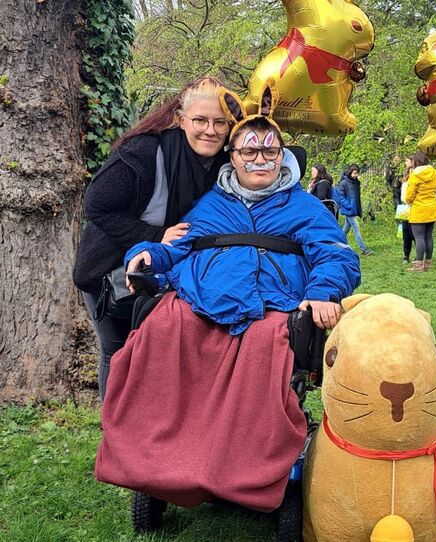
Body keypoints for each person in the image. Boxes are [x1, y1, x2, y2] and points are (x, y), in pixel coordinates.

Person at [95, 106, 361, 513]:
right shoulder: (210, 205)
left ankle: (243, 466)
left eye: (269, 153)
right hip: (200, 301)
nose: (259, 160)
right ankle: (153, 455)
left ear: (281, 157)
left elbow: (337, 256)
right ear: (233, 156)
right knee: (163, 326)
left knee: (266, 343)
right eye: (248, 152)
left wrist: (323, 292)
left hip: (270, 306)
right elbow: (174, 248)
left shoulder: (304, 207)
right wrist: (146, 254)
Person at [72, 76, 231, 400]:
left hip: (168, 273)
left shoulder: (223, 164)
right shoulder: (145, 152)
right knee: (117, 353)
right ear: (181, 119)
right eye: (200, 120)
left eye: (220, 123)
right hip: (111, 271)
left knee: (159, 358)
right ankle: (114, 431)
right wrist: (156, 235)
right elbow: (97, 206)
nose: (209, 130)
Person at [404, 151, 436, 272]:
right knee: (428, 236)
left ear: (417, 162)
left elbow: (409, 196)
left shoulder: (415, 175)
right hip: (432, 207)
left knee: (419, 237)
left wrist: (409, 201)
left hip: (419, 209)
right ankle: (427, 263)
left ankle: (418, 264)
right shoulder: (434, 173)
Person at [337, 164, 373, 255]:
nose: (356, 175)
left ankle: (337, 244)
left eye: (357, 173)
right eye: (354, 173)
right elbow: (341, 197)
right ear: (350, 172)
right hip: (349, 209)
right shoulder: (344, 183)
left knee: (346, 228)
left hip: (353, 208)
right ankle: (364, 249)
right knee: (356, 228)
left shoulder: (356, 182)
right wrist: (348, 206)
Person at [399, 156, 416, 264]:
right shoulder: (406, 174)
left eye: (407, 161)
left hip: (413, 206)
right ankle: (406, 255)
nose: (405, 162)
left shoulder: (416, 175)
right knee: (405, 233)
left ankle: (419, 255)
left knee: (414, 232)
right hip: (404, 206)